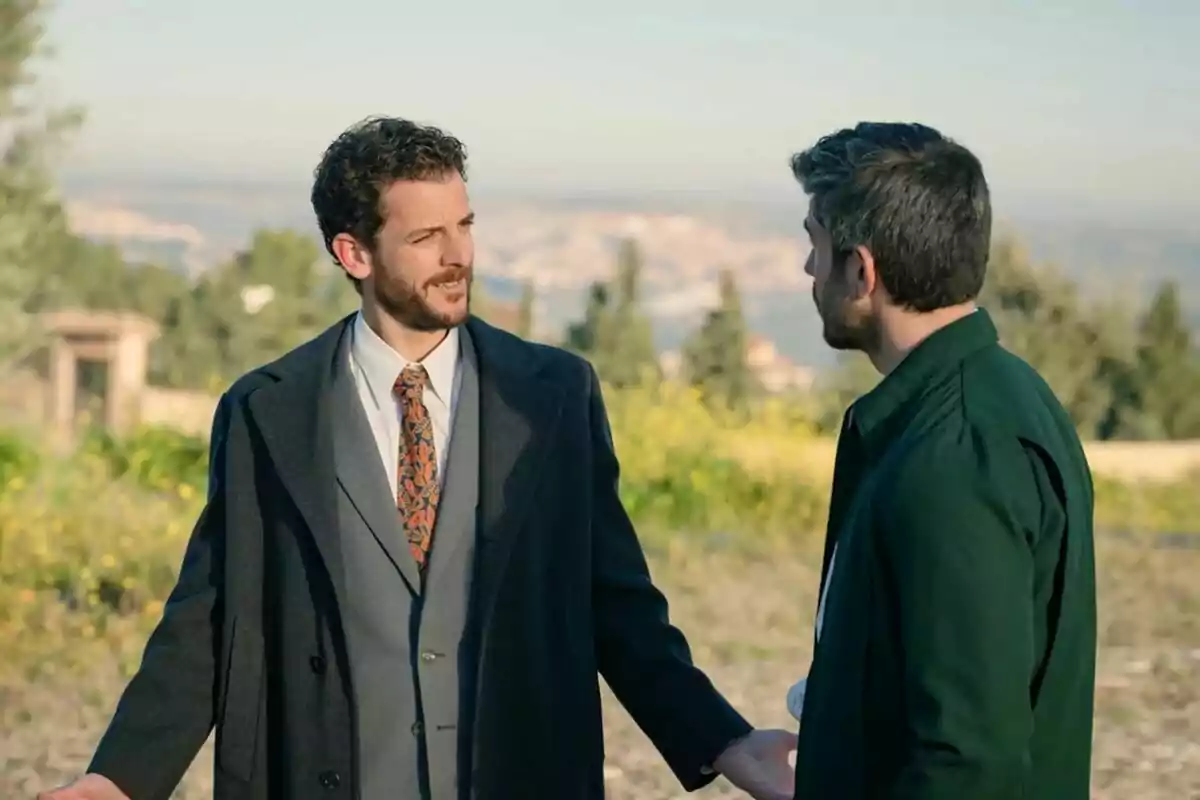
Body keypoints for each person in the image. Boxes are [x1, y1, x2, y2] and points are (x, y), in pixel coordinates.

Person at [40, 117, 796, 800]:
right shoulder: (266, 410)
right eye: (426, 236)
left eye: (464, 224)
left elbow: (617, 600)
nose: (458, 253)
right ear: (353, 253)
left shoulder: (556, 395)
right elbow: (211, 616)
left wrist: (722, 739)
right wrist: (119, 780)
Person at [786, 122, 1097, 799]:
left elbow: (967, 760)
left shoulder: (954, 455)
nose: (809, 269)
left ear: (861, 270)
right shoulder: (998, 395)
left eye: (815, 243)